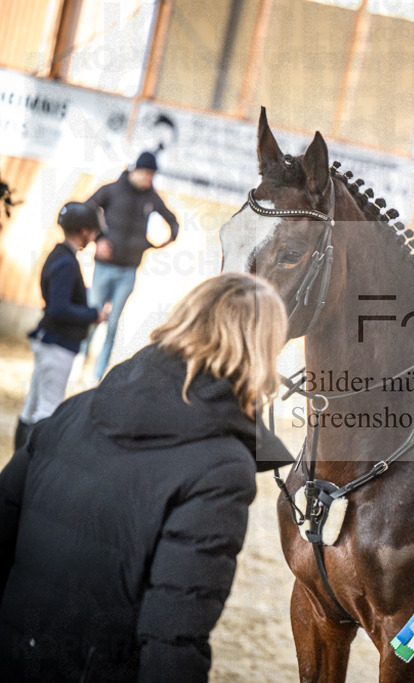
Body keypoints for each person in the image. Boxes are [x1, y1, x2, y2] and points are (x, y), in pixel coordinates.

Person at [0, 273, 292, 682]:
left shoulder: (77, 408)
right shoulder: (223, 468)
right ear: (264, 349)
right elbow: (173, 634)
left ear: (186, 318)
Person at [15, 202, 111, 451]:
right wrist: (94, 314)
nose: (93, 238)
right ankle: (30, 467)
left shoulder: (58, 255)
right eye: (92, 232)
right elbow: (58, 307)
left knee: (32, 406)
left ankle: (18, 461)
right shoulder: (67, 263)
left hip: (50, 339)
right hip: (58, 344)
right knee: (47, 409)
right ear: (84, 231)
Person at [86, 151, 179, 381]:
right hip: (104, 267)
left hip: (129, 270)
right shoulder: (112, 190)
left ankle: (98, 375)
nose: (149, 179)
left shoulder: (151, 197)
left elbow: (172, 220)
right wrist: (99, 239)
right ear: (135, 170)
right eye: (147, 174)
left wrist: (161, 242)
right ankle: (79, 359)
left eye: (152, 175)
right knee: (92, 315)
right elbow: (87, 209)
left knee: (113, 322)